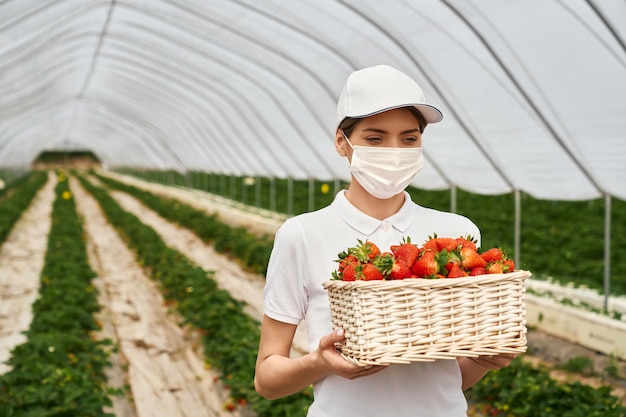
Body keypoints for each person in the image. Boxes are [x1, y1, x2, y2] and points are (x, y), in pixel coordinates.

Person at [254, 64, 516, 417]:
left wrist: (485, 361)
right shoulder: (302, 235)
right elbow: (268, 379)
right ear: (341, 142)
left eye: (409, 138)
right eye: (375, 138)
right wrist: (320, 363)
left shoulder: (456, 234)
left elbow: (446, 378)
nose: (394, 150)